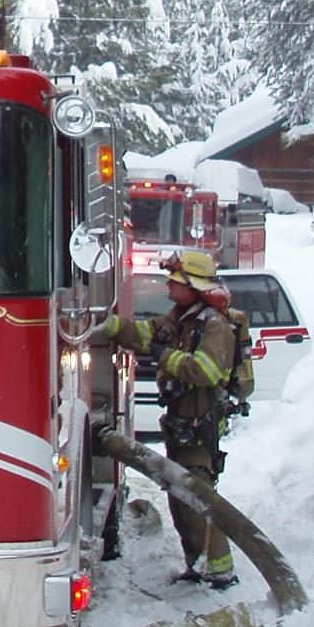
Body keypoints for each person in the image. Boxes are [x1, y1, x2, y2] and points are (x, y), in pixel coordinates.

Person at [99, 249, 241, 588]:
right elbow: (144, 334)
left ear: (193, 286)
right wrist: (106, 324)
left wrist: (166, 358)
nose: (168, 287)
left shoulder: (215, 326)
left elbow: (206, 371)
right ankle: (198, 565)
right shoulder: (181, 319)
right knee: (181, 500)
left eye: (175, 282)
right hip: (181, 423)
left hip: (200, 426)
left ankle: (220, 573)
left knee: (199, 500)